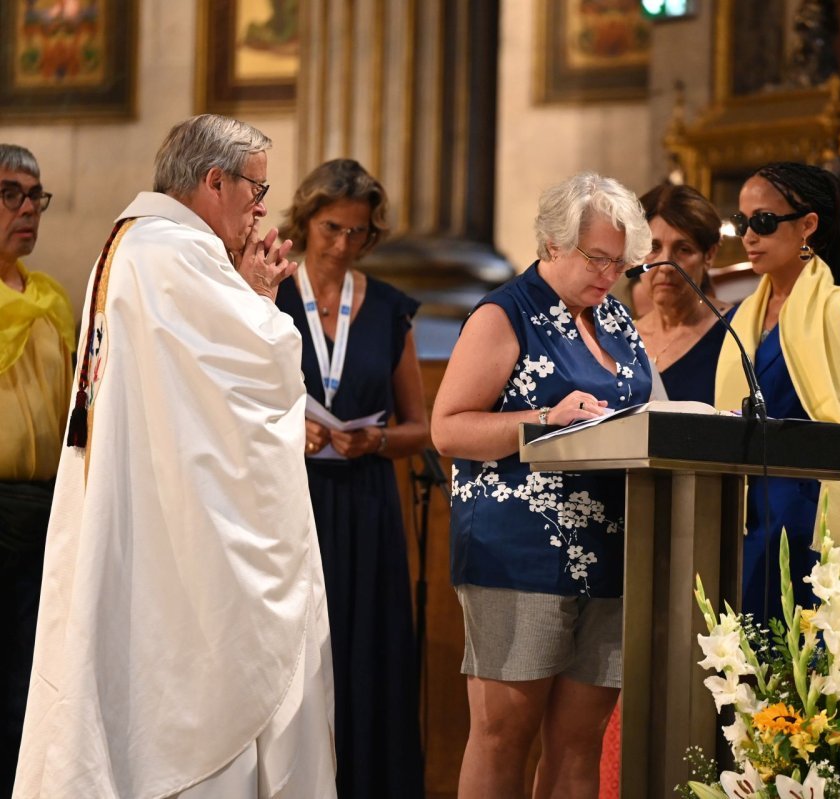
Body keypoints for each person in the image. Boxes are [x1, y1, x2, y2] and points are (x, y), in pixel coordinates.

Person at [14, 115, 336, 798]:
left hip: (151, 502)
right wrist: (263, 309)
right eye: (256, 187)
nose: (261, 205)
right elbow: (267, 364)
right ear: (213, 179)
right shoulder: (171, 253)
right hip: (175, 530)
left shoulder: (137, 245)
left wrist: (244, 296)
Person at [431, 172, 653, 799]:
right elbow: (447, 429)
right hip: (520, 552)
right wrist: (542, 420)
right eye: (598, 258)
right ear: (553, 243)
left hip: (612, 550)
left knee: (580, 742)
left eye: (620, 262)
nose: (610, 274)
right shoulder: (506, 314)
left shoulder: (614, 318)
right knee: (504, 735)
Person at [276, 158, 428, 798]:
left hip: (368, 503)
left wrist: (379, 440)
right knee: (298, 657)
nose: (342, 244)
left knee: (366, 655)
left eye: (357, 233)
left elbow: (424, 426)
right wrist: (291, 431)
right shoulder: (273, 296)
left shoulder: (390, 309)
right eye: (331, 228)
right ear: (306, 221)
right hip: (291, 501)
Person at [714, 162, 840, 623]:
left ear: (807, 225)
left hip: (806, 516)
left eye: (763, 222)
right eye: (742, 223)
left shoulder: (839, 314)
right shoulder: (738, 319)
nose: (748, 237)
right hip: (739, 509)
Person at [0, 145, 73, 796]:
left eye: (36, 196)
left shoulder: (51, 299)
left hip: (44, 509)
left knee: (28, 676)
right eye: (10, 193)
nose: (28, 208)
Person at [634, 183, 732, 404]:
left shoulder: (735, 331)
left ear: (709, 255)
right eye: (653, 248)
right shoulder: (622, 338)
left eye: (683, 249)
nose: (666, 265)